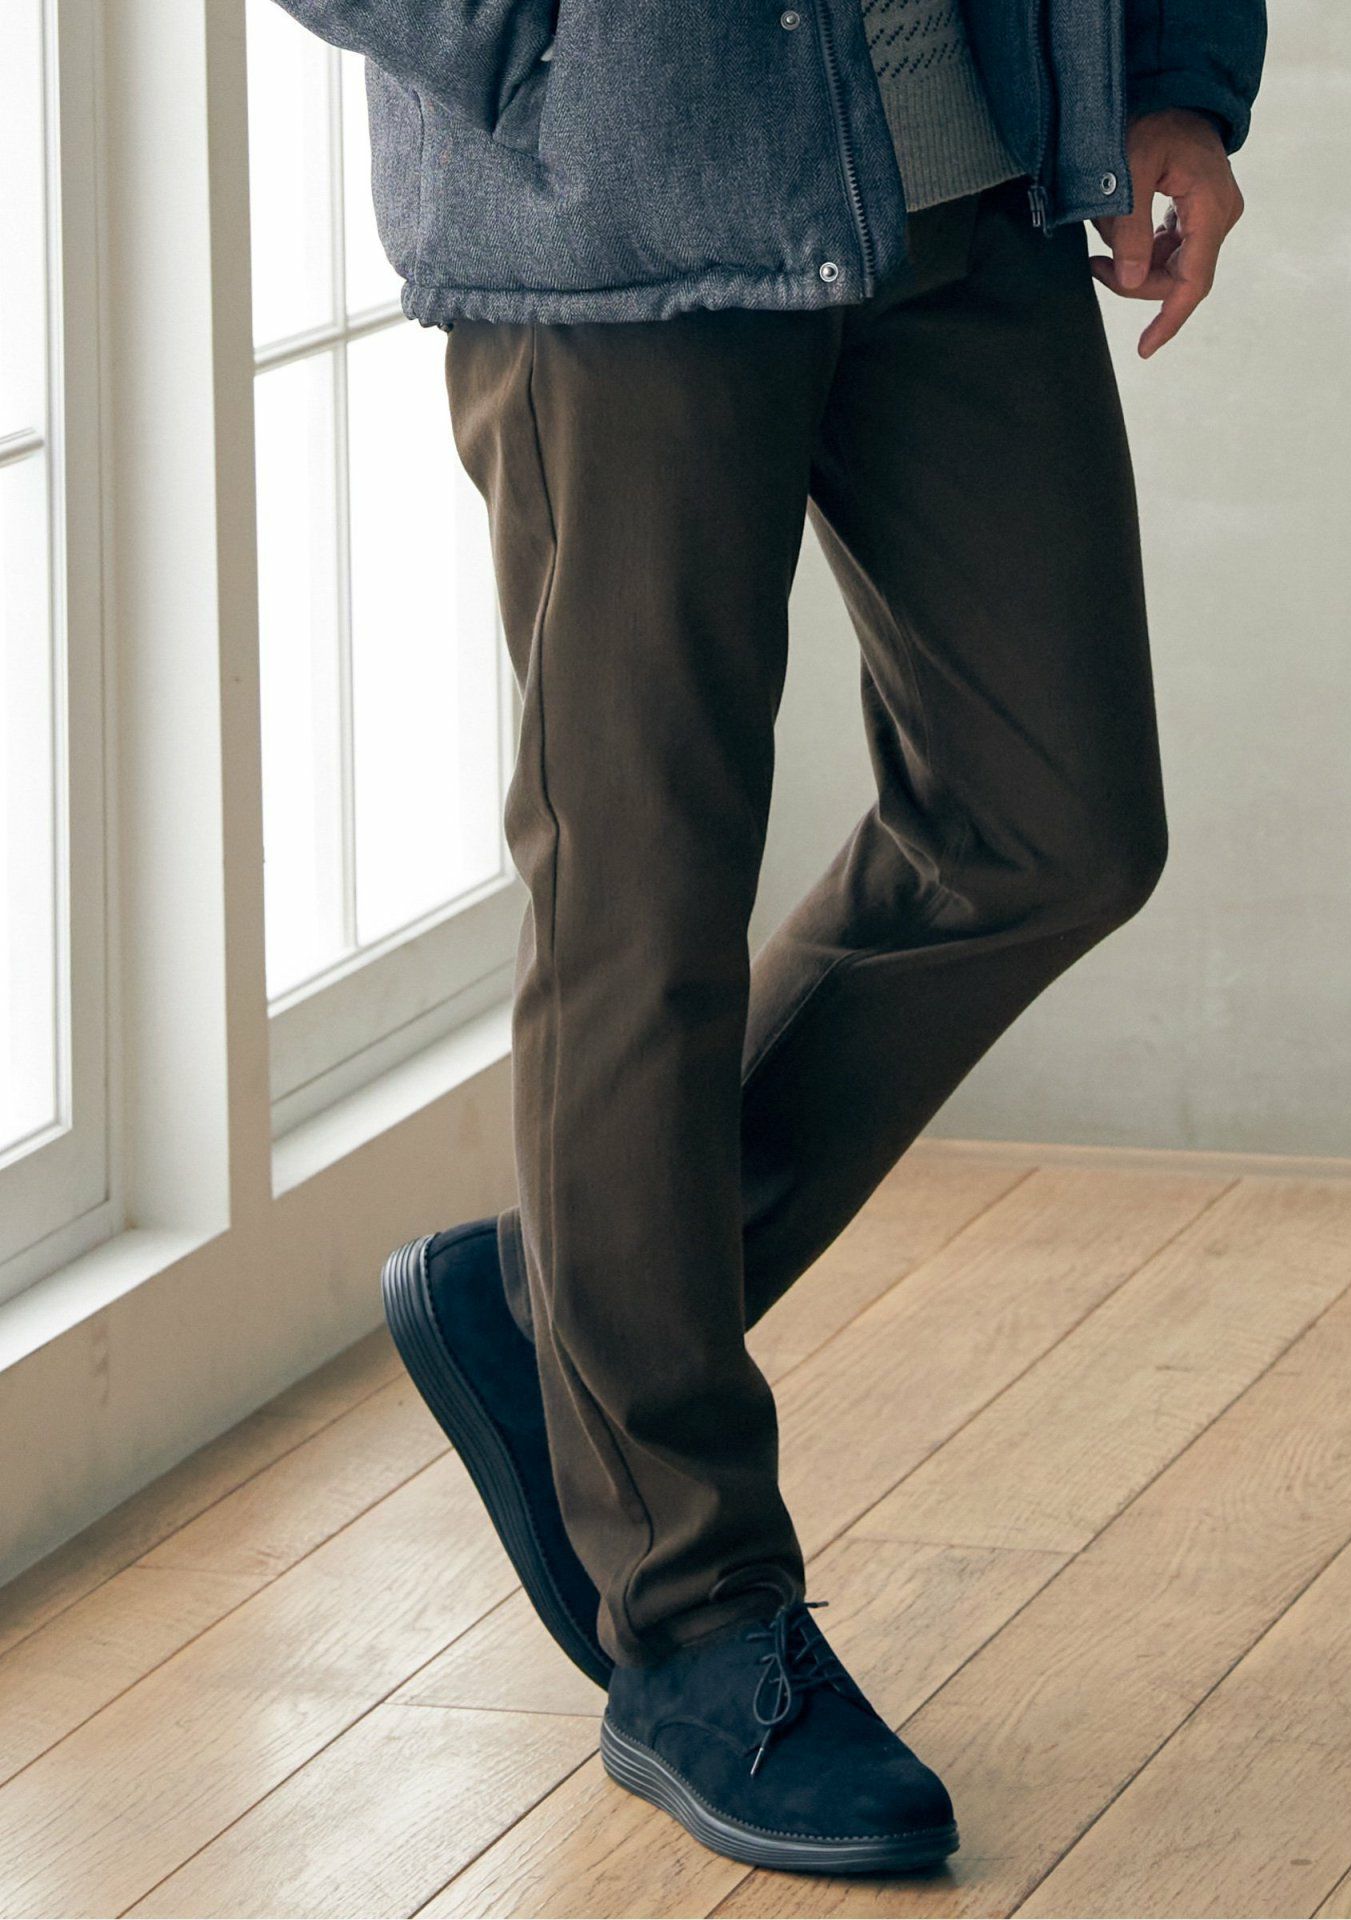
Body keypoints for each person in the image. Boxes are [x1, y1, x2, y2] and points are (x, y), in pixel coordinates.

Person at [277, 0, 1265, 1875]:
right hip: (622, 209)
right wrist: (524, 44)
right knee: (637, 906)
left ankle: (563, 1311)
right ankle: (694, 1621)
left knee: (1054, 825)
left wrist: (1173, 76)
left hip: (960, 162)